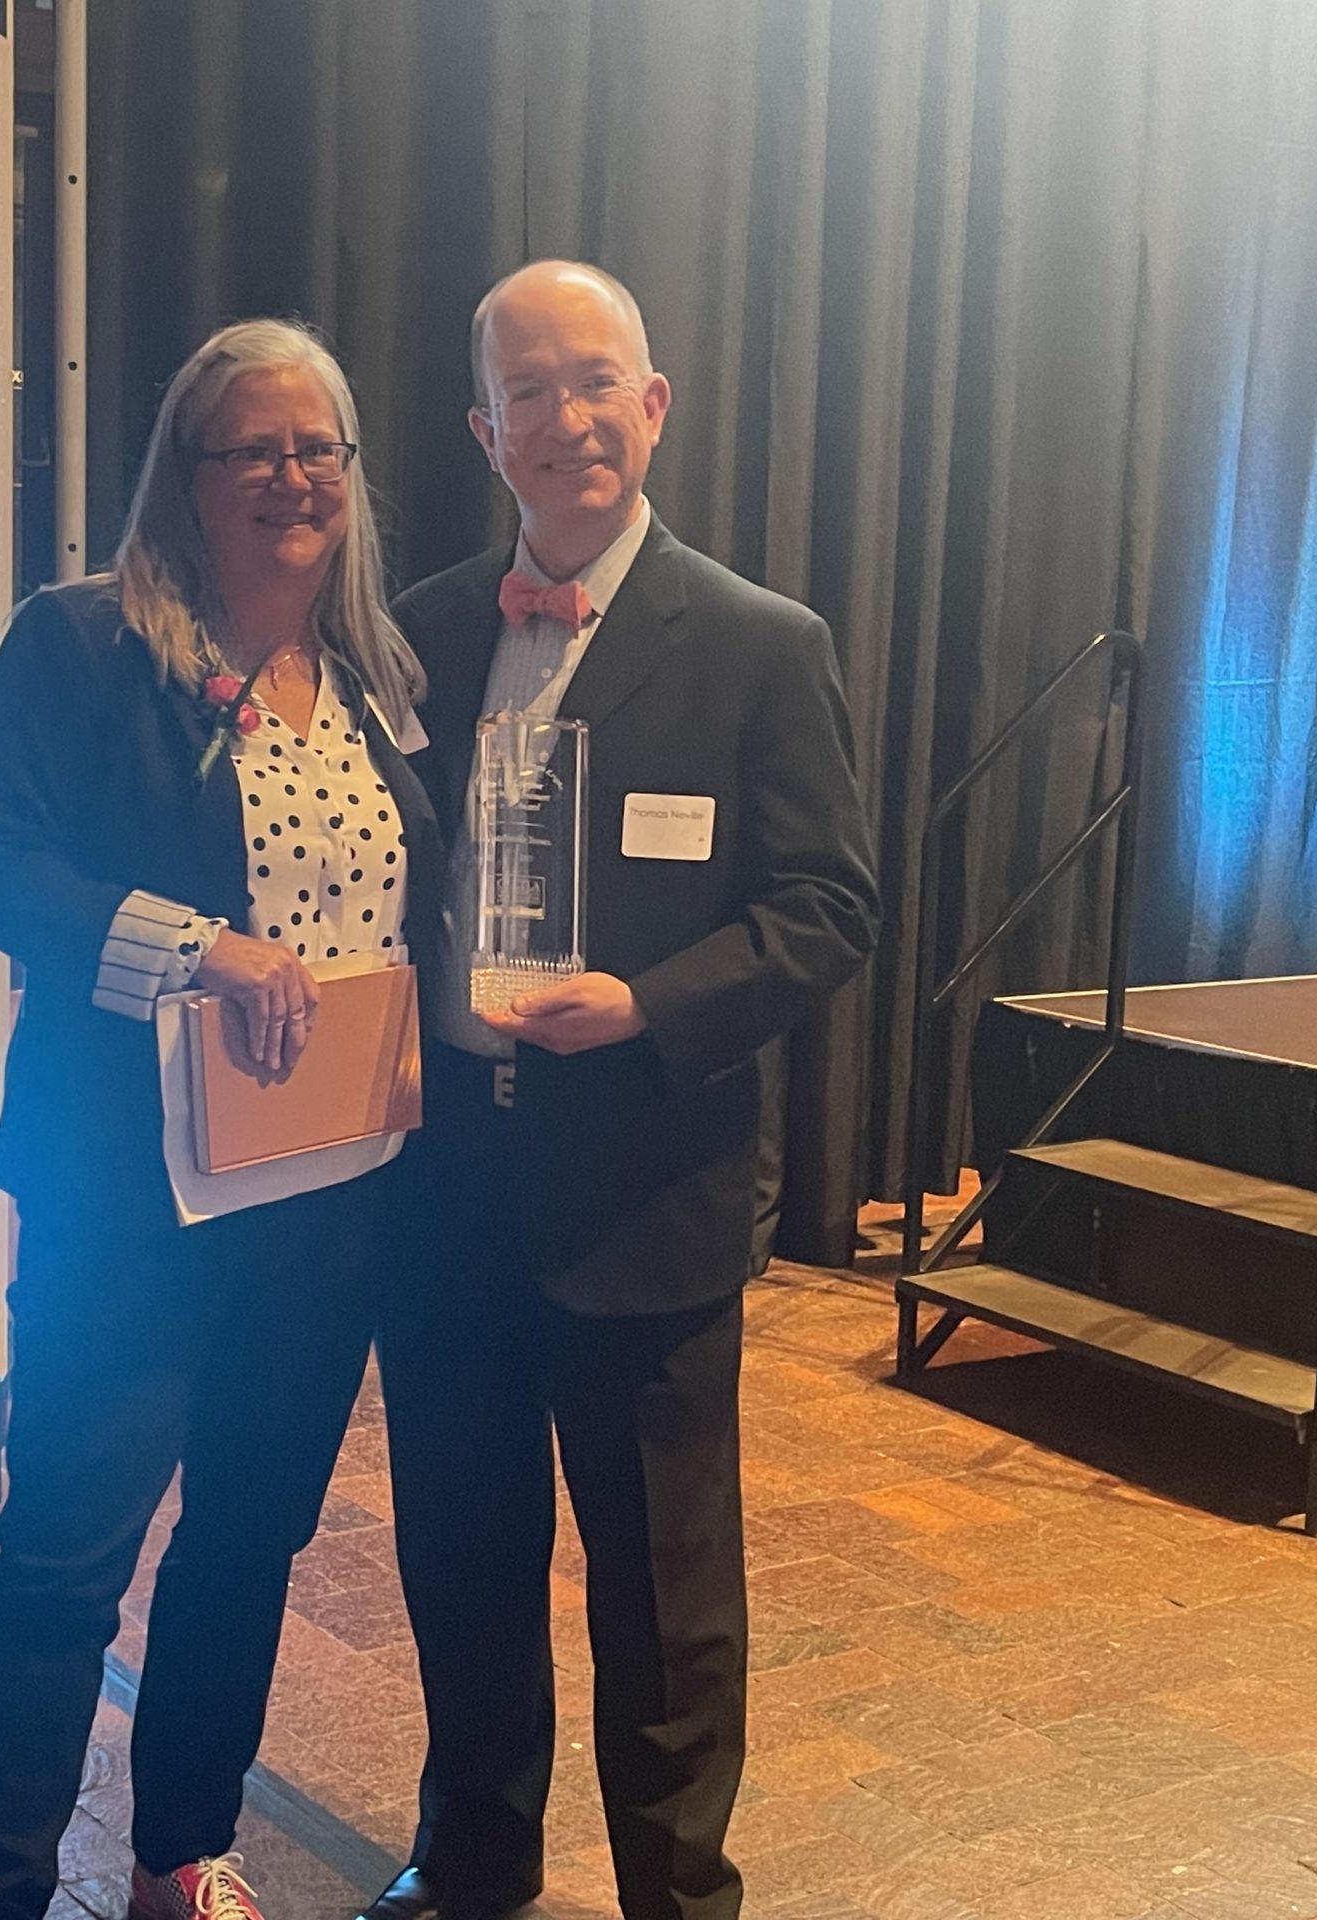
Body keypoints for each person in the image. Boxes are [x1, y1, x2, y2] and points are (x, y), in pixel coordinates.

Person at [364, 262, 878, 1920]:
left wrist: (648, 1006)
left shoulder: (758, 645)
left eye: (597, 382)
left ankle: (677, 1893)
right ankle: (476, 1864)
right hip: (445, 1194)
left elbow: (830, 911)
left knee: (664, 1589)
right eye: (529, 391)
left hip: (644, 1191)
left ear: (652, 406)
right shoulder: (422, 632)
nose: (566, 418)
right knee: (462, 1557)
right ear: (483, 430)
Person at [0, 318, 437, 1920]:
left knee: (243, 1550)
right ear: (187, 476)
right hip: (124, 1203)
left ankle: (179, 1857)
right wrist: (194, 951)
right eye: (254, 449)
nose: (292, 477)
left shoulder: (377, 680)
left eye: (320, 450)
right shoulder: (84, 646)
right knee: (68, 1559)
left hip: (325, 1208)